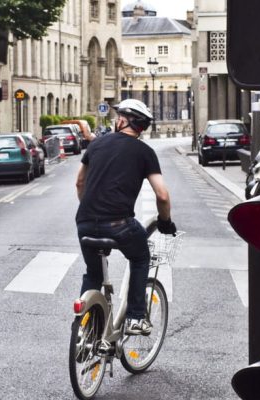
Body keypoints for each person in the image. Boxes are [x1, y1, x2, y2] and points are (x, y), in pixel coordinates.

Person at [75, 99, 177, 335]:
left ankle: (83, 328)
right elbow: (162, 195)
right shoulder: (145, 152)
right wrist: (165, 221)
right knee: (141, 257)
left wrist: (90, 211)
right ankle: (135, 318)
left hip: (85, 222)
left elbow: (80, 181)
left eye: (117, 116)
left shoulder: (97, 145)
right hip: (119, 224)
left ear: (123, 121)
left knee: (94, 273)